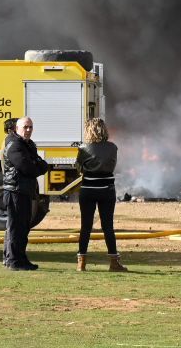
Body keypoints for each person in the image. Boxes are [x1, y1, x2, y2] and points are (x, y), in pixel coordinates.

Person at [75, 117, 126, 272]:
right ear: (104, 130)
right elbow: (112, 165)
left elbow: (78, 168)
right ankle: (114, 262)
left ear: (88, 130)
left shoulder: (83, 148)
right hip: (107, 190)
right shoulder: (113, 147)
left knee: (86, 226)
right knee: (108, 226)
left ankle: (81, 262)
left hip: (88, 189)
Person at [2, 116, 48, 271]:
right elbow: (27, 167)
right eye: (25, 127)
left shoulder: (28, 144)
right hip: (15, 190)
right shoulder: (14, 145)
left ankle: (20, 259)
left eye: (30, 127)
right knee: (16, 228)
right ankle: (13, 260)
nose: (28, 130)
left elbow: (41, 164)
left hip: (24, 189)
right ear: (17, 128)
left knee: (23, 227)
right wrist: (36, 166)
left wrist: (36, 165)